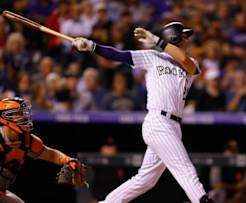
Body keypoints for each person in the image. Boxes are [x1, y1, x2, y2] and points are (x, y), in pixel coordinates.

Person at [72, 22, 215, 203]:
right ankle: (202, 200)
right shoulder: (152, 56)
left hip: (174, 125)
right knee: (185, 169)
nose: (188, 39)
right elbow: (119, 55)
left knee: (146, 180)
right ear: (175, 37)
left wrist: (155, 40)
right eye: (185, 35)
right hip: (158, 122)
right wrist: (93, 46)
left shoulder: (191, 62)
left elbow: (187, 63)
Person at [0, 97, 83, 202]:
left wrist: (67, 160)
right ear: (5, 117)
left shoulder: (26, 140)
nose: (23, 118)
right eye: (18, 114)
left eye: (23, 113)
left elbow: (50, 154)